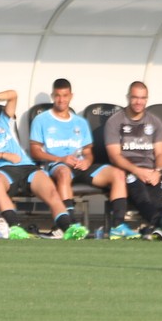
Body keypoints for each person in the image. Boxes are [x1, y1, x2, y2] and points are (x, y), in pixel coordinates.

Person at [0, 89, 88, 240]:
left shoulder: (4, 121)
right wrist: (3, 155)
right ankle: (15, 227)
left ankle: (68, 228)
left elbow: (13, 94)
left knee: (51, 191)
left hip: (26, 166)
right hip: (1, 169)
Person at [28, 78, 138, 239]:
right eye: (58, 95)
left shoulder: (80, 122)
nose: (61, 100)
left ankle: (118, 226)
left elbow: (88, 151)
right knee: (64, 173)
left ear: (71, 96)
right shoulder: (41, 120)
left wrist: (87, 161)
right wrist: (60, 158)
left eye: (65, 95)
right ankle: (70, 225)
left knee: (118, 174)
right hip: (58, 165)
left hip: (81, 166)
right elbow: (35, 151)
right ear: (53, 96)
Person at [103, 81, 162, 240]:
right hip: (128, 170)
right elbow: (114, 156)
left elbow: (160, 154)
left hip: (151, 170)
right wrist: (137, 171)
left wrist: (157, 171)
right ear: (128, 97)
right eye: (135, 97)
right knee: (141, 195)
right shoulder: (115, 121)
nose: (138, 102)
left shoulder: (155, 121)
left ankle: (161, 227)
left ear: (147, 99)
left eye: (142, 98)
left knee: (156, 195)